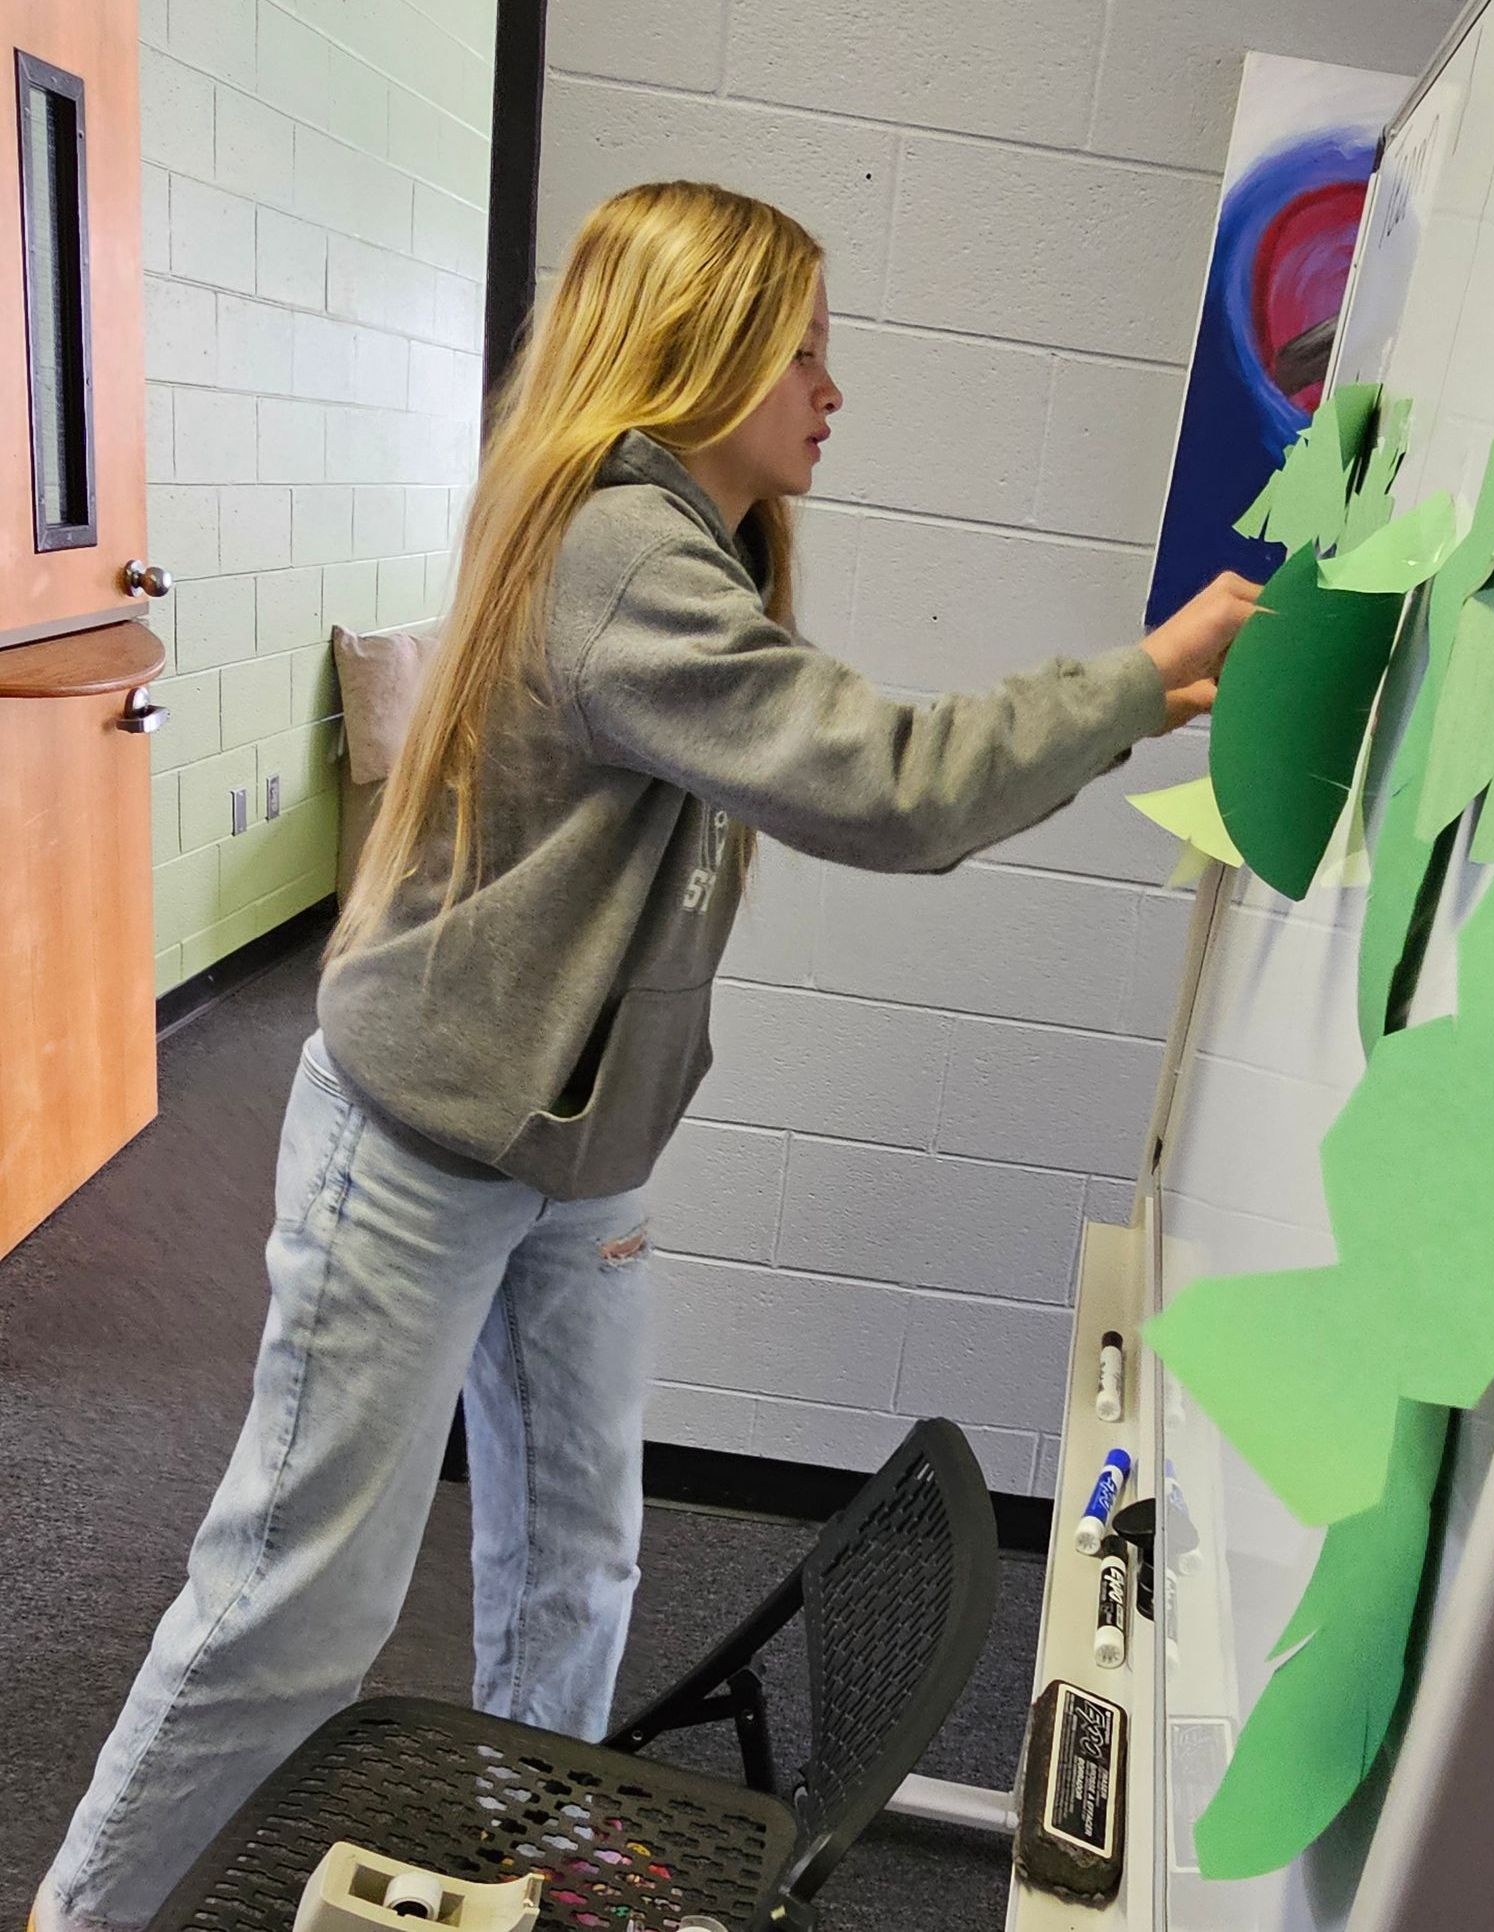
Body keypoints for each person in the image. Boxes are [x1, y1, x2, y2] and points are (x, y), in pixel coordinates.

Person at [34, 179, 1257, 1931]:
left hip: (580, 1160)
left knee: (581, 1561)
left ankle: (516, 1861)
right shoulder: (620, 552)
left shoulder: (697, 549)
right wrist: (1144, 677)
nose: (835, 390)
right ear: (702, 355)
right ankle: (78, 1912)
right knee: (299, 1599)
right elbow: (887, 786)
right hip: (422, 1149)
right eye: (806, 353)